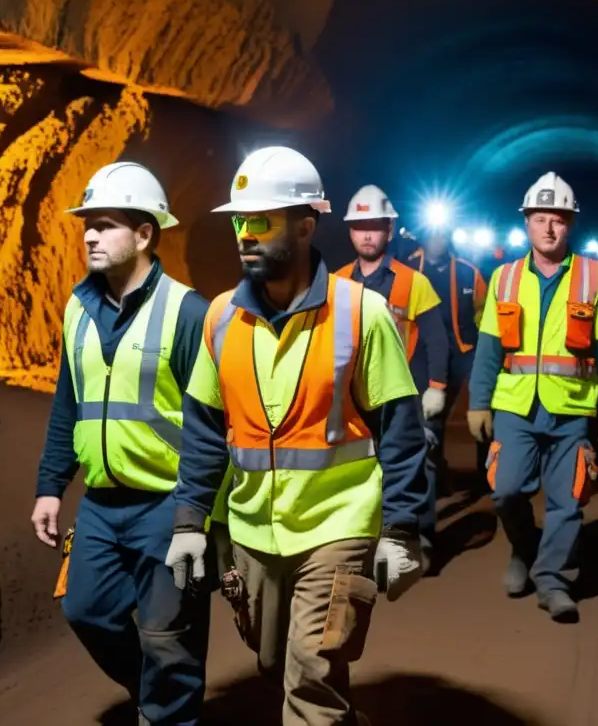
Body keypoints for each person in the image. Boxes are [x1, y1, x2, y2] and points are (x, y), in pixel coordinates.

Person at [163, 147, 428, 726]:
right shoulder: (220, 318)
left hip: (338, 525)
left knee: (310, 673)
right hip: (254, 530)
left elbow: (401, 432)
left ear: (306, 224)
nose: (244, 234)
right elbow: (206, 431)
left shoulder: (362, 313)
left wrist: (402, 531)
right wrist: (189, 522)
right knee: (275, 664)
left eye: (261, 220)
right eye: (239, 220)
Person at [30, 162, 212, 725]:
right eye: (87, 223)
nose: (88, 234)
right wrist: (50, 486)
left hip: (166, 504)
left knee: (167, 636)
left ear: (144, 233)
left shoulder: (188, 311)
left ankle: (167, 711)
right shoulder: (76, 309)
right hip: (104, 506)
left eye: (105, 224)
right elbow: (69, 403)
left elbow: (210, 425)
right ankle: (158, 697)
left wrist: (193, 517)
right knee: (87, 612)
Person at [466, 172, 598, 622]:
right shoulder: (504, 278)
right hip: (515, 406)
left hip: (571, 408)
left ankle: (552, 580)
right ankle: (524, 548)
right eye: (540, 219)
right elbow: (488, 347)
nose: (549, 228)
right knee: (504, 490)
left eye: (558, 219)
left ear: (570, 224)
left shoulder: (594, 278)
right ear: (526, 223)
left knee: (568, 498)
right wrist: (478, 402)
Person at [334, 184, 450, 563]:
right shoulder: (336, 282)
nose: (368, 234)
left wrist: (437, 387)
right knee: (360, 465)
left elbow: (436, 339)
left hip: (404, 393)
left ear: (389, 230)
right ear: (350, 231)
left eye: (376, 226)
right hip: (352, 394)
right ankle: (365, 539)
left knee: (420, 463)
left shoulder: (413, 282)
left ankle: (421, 538)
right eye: (360, 226)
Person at [405, 227, 489, 497]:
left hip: (466, 351)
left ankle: (487, 475)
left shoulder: (468, 272)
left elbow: (485, 314)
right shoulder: (407, 269)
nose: (437, 240)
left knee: (484, 408)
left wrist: (487, 352)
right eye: (432, 234)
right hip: (424, 352)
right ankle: (436, 475)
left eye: (442, 234)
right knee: (431, 416)